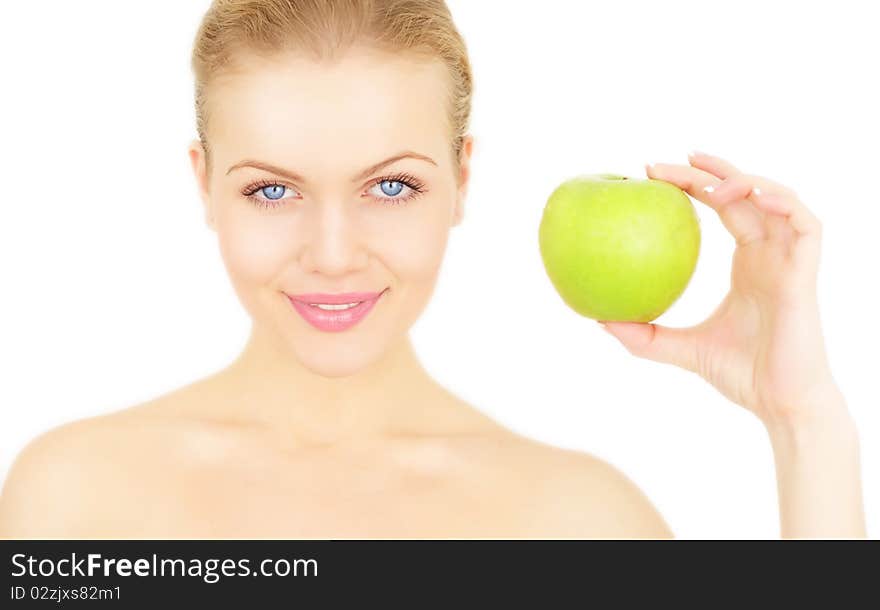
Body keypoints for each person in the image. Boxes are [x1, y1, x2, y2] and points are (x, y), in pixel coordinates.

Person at [0, 0, 866, 539]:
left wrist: (803, 420)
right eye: (271, 191)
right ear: (204, 184)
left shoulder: (579, 524)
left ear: (460, 181)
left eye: (390, 185)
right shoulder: (73, 493)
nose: (334, 254)